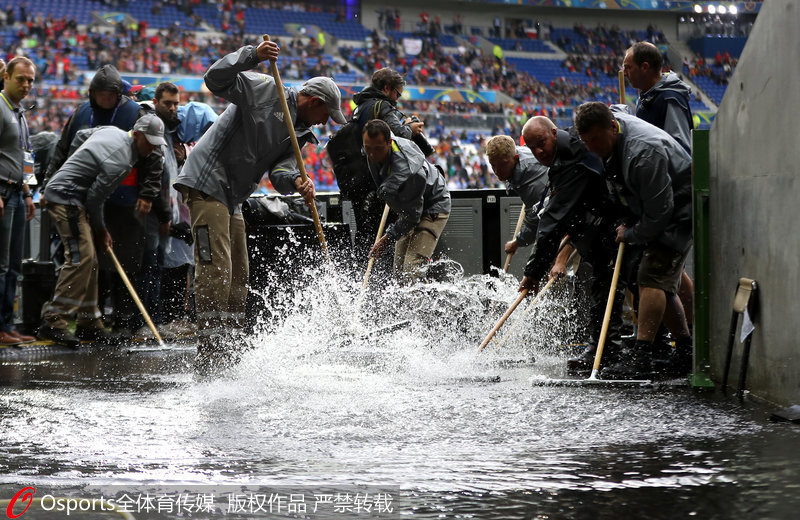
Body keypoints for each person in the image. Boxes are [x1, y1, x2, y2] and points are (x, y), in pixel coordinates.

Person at [173, 39, 346, 369]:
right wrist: (252, 56)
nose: (326, 122)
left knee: (239, 272)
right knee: (216, 265)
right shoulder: (267, 89)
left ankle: (231, 344)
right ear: (313, 100)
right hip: (207, 182)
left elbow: (281, 171)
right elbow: (216, 79)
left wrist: (296, 181)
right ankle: (210, 345)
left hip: (235, 196)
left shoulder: (302, 131)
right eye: (326, 113)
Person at [43, 65, 163, 341]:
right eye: (151, 143)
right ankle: (54, 319)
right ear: (139, 135)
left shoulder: (113, 131)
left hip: (78, 196)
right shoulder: (120, 160)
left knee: (93, 260)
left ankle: (89, 320)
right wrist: (101, 229)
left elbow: (85, 138)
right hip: (71, 197)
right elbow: (96, 198)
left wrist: (77, 161)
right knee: (82, 257)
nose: (153, 149)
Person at [574, 102, 693, 379]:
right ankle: (685, 351)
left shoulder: (642, 155)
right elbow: (618, 106)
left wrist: (631, 232)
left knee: (650, 276)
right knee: (661, 281)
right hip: (652, 207)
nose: (591, 147)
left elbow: (661, 211)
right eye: (585, 141)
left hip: (678, 210)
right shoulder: (609, 124)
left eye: (596, 140)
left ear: (612, 128)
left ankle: (642, 357)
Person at [517, 116, 621, 370]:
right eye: (532, 148)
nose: (538, 151)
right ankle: (605, 349)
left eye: (541, 143)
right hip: (598, 220)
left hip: (617, 218)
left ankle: (628, 351)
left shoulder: (572, 157)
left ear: (554, 133)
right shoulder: (561, 156)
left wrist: (533, 272)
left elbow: (553, 222)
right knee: (603, 285)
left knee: (618, 283)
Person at [623, 40, 696, 340]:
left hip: (671, 194)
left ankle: (670, 340)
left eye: (628, 66)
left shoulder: (667, 99)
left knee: (656, 275)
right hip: (659, 191)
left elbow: (679, 148)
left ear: (645, 67)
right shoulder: (647, 98)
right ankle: (686, 334)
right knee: (673, 274)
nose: (623, 72)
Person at [340, 68, 432, 267]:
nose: (397, 100)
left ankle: (366, 278)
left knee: (365, 236)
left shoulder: (360, 107)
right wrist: (411, 128)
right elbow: (397, 135)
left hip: (359, 182)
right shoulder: (382, 106)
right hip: (380, 182)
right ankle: (385, 284)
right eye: (397, 94)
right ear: (387, 88)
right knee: (386, 240)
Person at [362, 119, 450, 280]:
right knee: (399, 270)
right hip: (410, 208)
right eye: (368, 148)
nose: (372, 154)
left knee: (411, 268)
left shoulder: (410, 173)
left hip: (433, 206)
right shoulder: (375, 149)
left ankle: (426, 304)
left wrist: (386, 239)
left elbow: (412, 217)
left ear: (389, 142)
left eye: (378, 149)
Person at [0, 56, 37, 345]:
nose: (26, 85)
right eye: (21, 79)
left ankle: (8, 325)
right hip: (2, 193)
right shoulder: (0, 108)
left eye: (30, 80)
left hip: (16, 193)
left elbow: (23, 158)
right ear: (6, 77)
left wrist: (27, 193)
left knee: (14, 265)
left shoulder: (20, 112)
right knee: (1, 266)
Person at [483, 135, 548, 259]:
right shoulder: (518, 151)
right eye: (493, 165)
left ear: (515, 158)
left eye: (502, 165)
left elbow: (533, 224)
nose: (497, 171)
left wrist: (517, 242)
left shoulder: (530, 184)